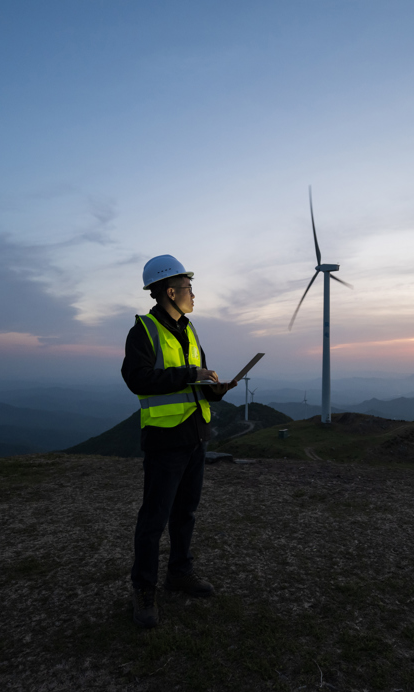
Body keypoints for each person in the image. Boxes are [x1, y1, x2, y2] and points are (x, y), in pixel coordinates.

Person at [121, 254, 237, 629]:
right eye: (188, 288)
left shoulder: (189, 329)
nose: (193, 294)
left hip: (195, 436)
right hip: (164, 440)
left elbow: (194, 383)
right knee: (153, 519)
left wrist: (214, 389)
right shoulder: (143, 331)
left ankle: (180, 573)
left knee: (185, 513)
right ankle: (144, 590)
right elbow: (138, 379)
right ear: (169, 291)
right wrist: (190, 374)